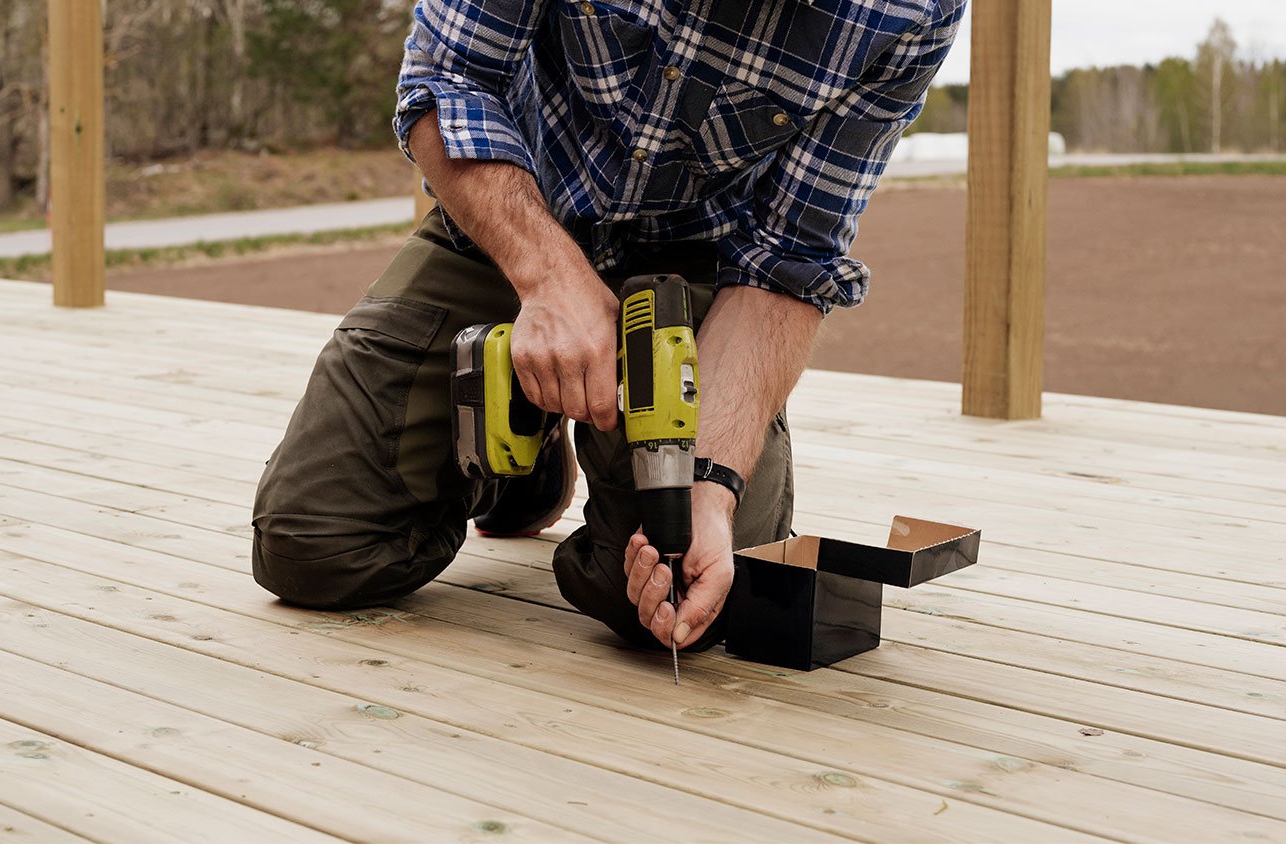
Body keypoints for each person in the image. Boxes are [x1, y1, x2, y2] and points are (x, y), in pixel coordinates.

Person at [251, 0, 963, 653]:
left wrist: (711, 489)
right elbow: (446, 81)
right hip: (508, 210)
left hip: (692, 268)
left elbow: (787, 259)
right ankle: (515, 455)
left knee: (687, 593)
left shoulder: (908, 10)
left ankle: (555, 435)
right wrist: (549, 280)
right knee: (313, 549)